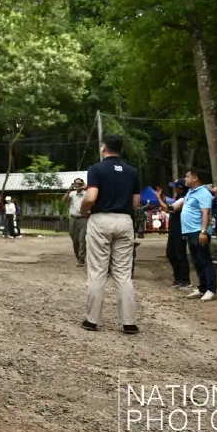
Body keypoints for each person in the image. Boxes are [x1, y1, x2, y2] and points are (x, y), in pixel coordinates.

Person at [80, 134, 141, 334]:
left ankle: (92, 320)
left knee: (97, 271)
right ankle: (128, 322)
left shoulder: (96, 169)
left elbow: (91, 196)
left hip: (101, 219)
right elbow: (135, 203)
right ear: (120, 149)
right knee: (123, 274)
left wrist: (83, 208)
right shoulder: (132, 172)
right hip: (124, 220)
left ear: (103, 148)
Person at [171, 168, 217, 301]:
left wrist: (203, 231)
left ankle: (211, 289)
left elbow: (206, 212)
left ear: (195, 178)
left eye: (187, 177)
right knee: (197, 261)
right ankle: (202, 288)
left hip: (199, 231)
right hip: (190, 231)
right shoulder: (190, 193)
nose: (185, 179)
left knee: (204, 260)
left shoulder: (203, 193)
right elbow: (175, 207)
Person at [156, 180, 191, 288]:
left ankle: (185, 279)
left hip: (180, 229)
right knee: (171, 253)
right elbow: (168, 209)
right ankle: (177, 277)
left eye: (176, 187)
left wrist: (158, 198)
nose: (174, 189)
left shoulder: (184, 198)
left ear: (180, 188)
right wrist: (162, 199)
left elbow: (168, 208)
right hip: (173, 228)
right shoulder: (177, 197)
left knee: (180, 253)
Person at [64, 178, 88, 267]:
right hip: (73, 218)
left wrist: (85, 187)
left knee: (82, 239)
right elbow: (64, 200)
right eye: (76, 184)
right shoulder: (72, 194)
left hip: (84, 218)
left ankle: (81, 258)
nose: (77, 186)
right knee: (75, 240)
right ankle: (78, 257)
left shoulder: (86, 194)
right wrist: (69, 189)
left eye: (79, 184)